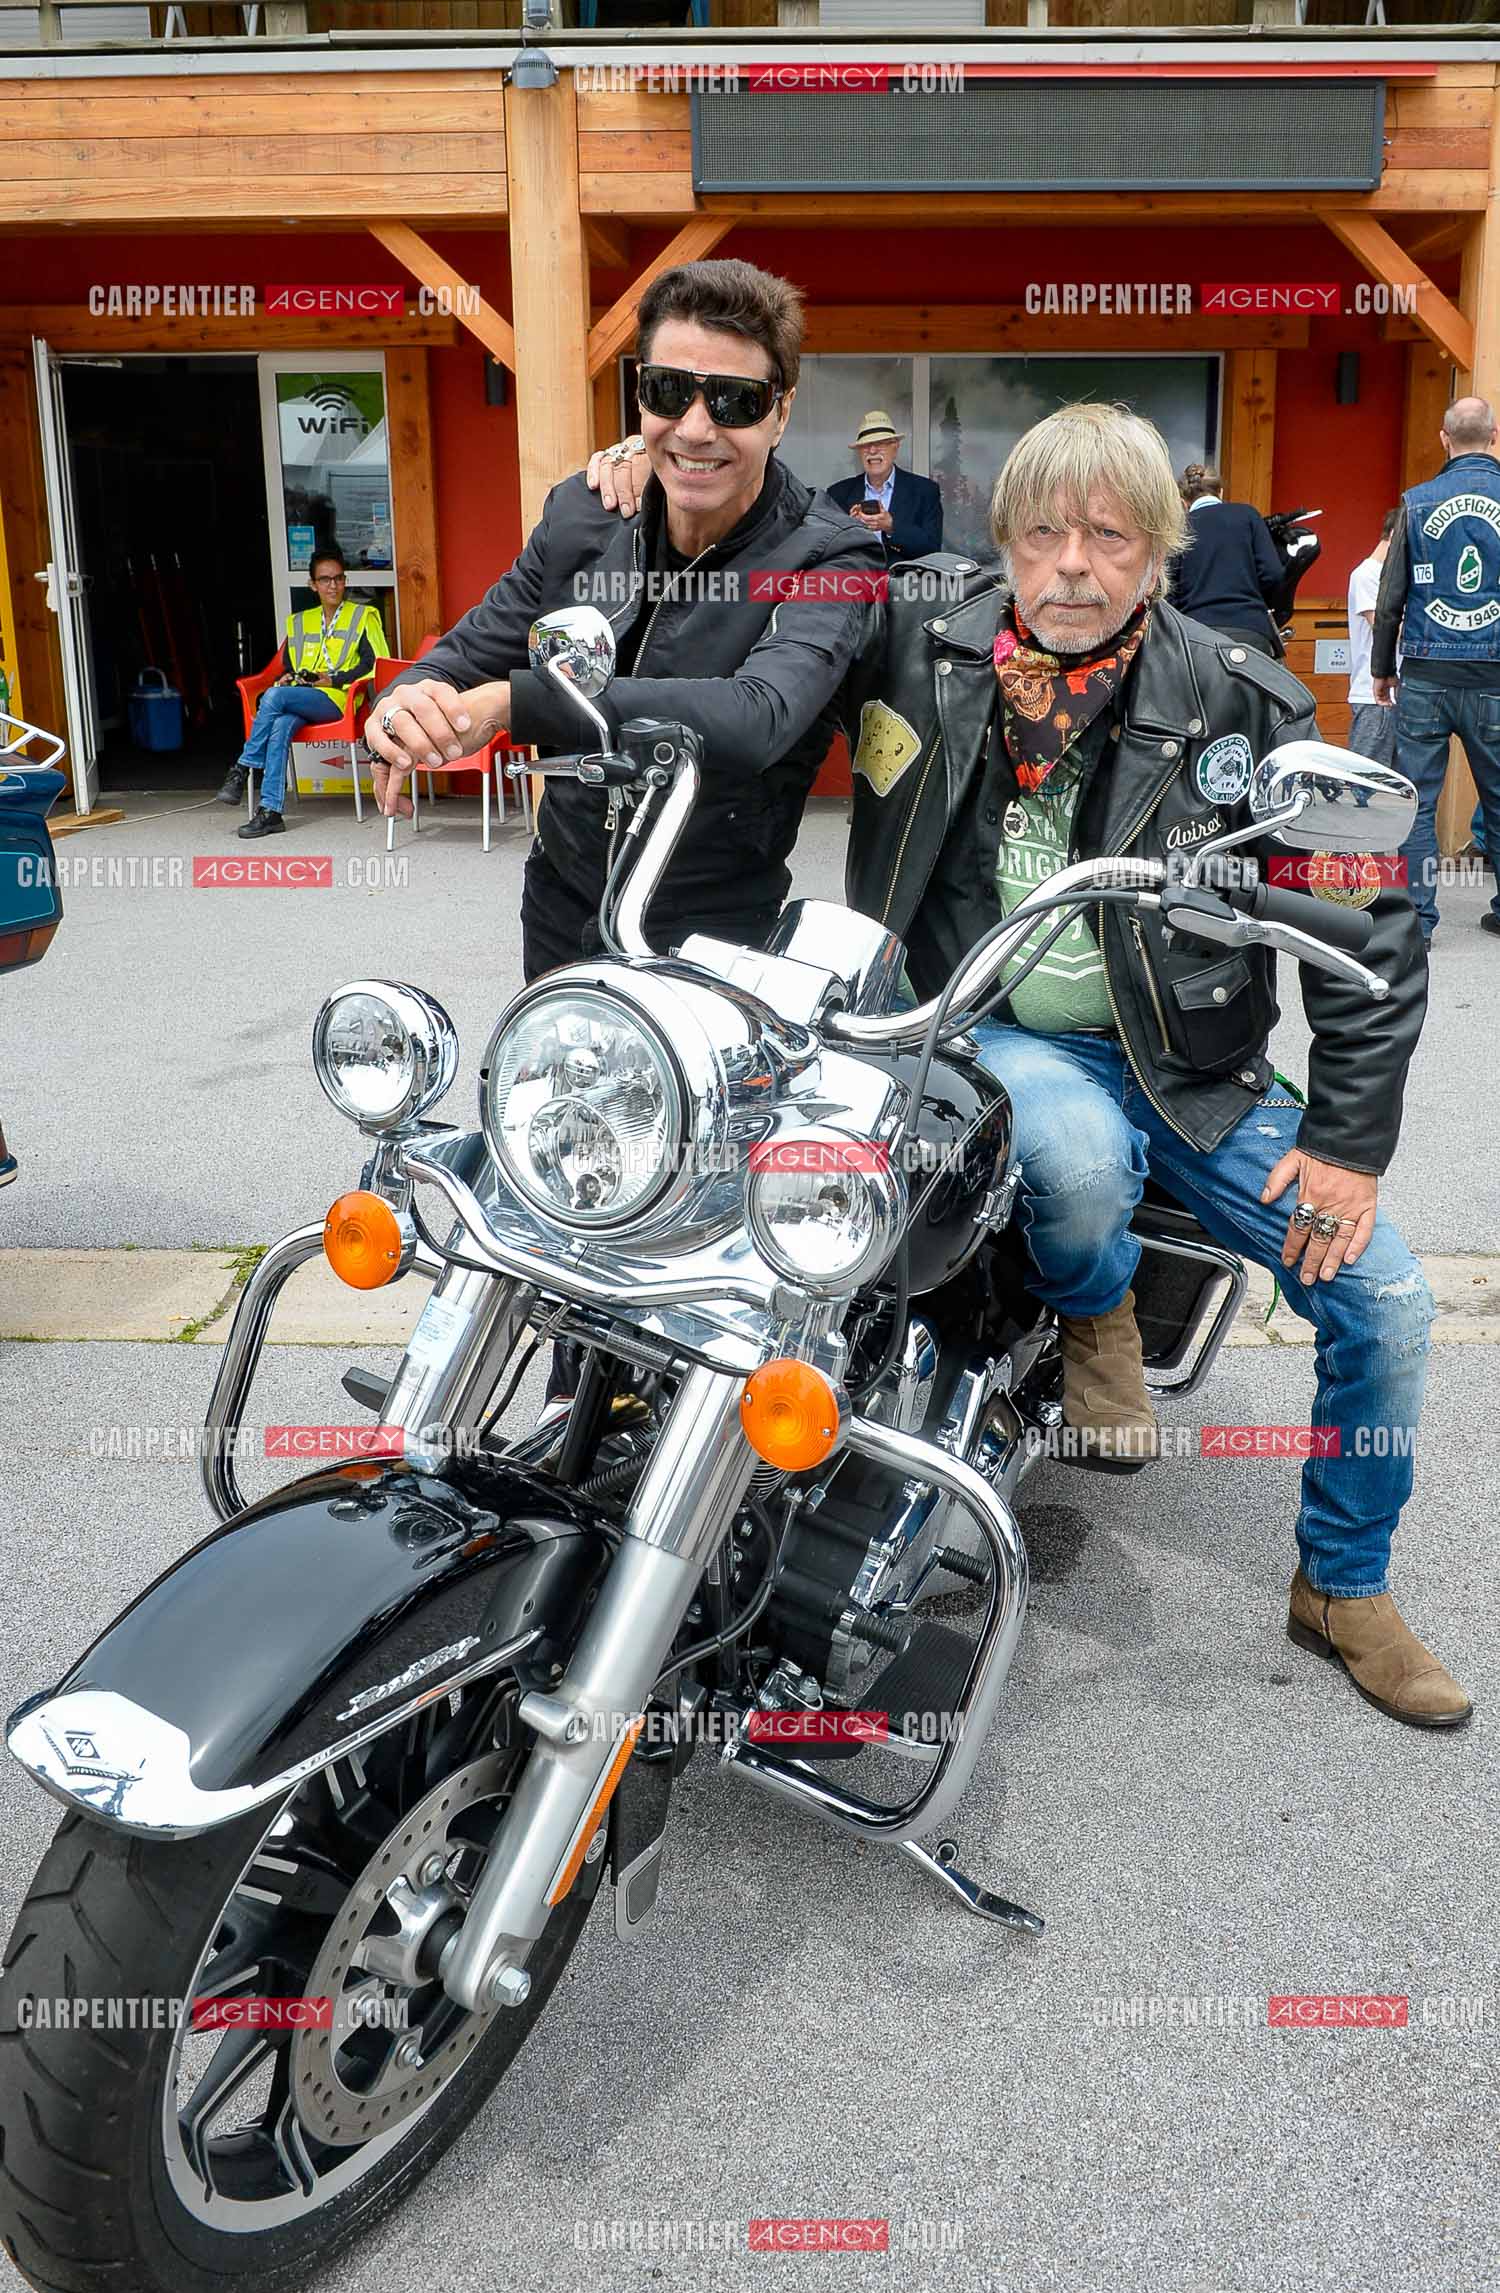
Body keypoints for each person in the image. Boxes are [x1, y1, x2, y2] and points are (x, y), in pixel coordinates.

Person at [842, 400, 1465, 1731]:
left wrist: (1349, 1142)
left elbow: (1373, 914)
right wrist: (635, 494)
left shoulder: (1238, 697)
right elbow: (763, 608)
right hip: (989, 1030)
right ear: (1006, 541)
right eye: (1047, 532)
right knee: (1068, 1149)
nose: (1074, 564)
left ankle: (1341, 1589)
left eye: (1111, 537)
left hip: (1193, 1072)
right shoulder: (918, 644)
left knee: (1394, 1303)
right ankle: (1097, 1308)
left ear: (1160, 554)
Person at [367, 259, 881, 975]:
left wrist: (517, 704)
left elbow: (759, 715)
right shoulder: (584, 513)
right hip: (560, 905)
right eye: (669, 391)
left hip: (713, 938)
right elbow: (465, 651)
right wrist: (399, 706)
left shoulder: (832, 558)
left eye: (734, 401)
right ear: (639, 397)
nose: (697, 429)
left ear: (781, 412)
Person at [1371, 395, 1500, 947]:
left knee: (1417, 802)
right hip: (1495, 674)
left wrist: (1382, 667)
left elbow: (1391, 592)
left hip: (1425, 669)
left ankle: (1417, 921)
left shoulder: (1416, 503)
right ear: (1493, 438)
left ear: (1445, 439)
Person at [218, 547, 388, 840]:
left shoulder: (363, 616)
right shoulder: (300, 621)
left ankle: (243, 767)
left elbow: (375, 664)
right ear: (313, 585)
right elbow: (288, 664)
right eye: (325, 580)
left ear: (345, 581)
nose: (332, 585)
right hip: (302, 696)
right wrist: (288, 677)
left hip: (338, 699)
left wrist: (333, 680)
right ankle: (270, 812)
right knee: (281, 722)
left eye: (338, 578)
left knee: (272, 697)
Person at [1169, 460, 1286, 658]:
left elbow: (1168, 592)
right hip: (1251, 630)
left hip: (1197, 637)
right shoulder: (1248, 515)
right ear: (1220, 492)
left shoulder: (1180, 529)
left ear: (1183, 502)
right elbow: (1273, 574)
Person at [829, 412, 943, 564]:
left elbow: (932, 549)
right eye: (866, 445)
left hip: (905, 584)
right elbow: (826, 550)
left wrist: (891, 527)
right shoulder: (838, 493)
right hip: (854, 583)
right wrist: (849, 529)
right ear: (859, 452)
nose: (873, 451)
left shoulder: (925, 491)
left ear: (895, 448)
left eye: (880, 443)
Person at [1346, 509, 1400, 770]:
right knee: (1364, 778)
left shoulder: (1397, 577)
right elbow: (1383, 626)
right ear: (1393, 535)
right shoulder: (1367, 575)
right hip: (1372, 694)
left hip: (1400, 690)